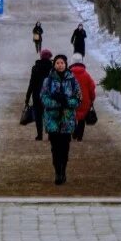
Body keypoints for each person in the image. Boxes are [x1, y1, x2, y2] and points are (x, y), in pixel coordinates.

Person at [40, 54, 81, 185]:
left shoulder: (73, 80)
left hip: (67, 120)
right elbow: (43, 98)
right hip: (52, 120)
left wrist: (67, 102)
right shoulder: (48, 81)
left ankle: (63, 170)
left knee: (65, 148)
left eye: (62, 63)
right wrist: (57, 102)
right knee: (55, 148)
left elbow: (78, 99)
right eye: (57, 63)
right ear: (54, 65)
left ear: (66, 64)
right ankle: (57, 172)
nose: (60, 65)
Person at [25, 49, 53, 140]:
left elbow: (31, 83)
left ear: (41, 57)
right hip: (49, 96)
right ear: (49, 57)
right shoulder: (52, 68)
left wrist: (27, 97)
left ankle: (39, 135)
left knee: (38, 116)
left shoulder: (35, 68)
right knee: (49, 115)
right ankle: (50, 135)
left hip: (37, 95)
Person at [69, 53, 96, 141]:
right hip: (84, 100)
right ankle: (80, 136)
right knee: (82, 119)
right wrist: (92, 98)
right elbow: (92, 87)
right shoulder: (86, 75)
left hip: (72, 100)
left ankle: (74, 131)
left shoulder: (68, 75)